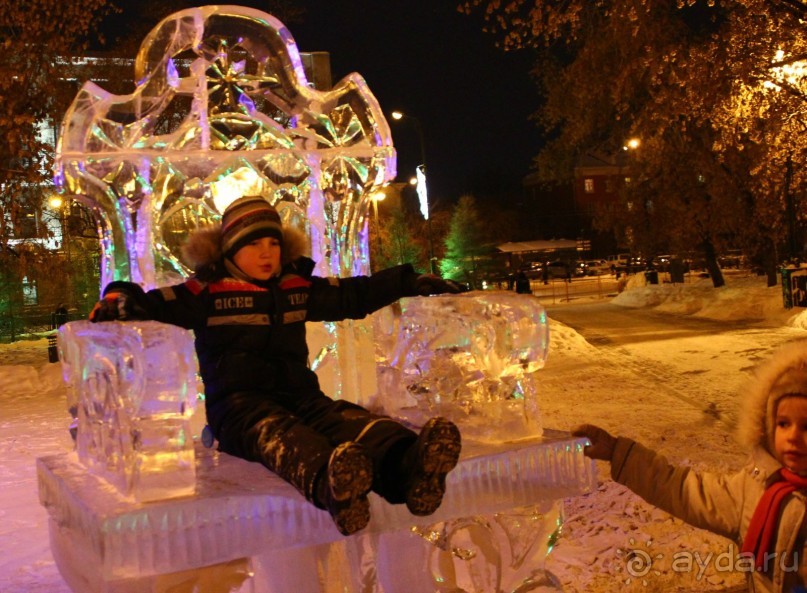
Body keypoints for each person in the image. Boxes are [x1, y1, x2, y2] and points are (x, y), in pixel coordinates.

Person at [90, 195, 465, 536]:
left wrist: (409, 282)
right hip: (239, 409)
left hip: (301, 396)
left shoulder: (294, 287)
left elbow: (353, 294)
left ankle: (412, 468)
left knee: (347, 419)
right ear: (230, 250)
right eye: (253, 244)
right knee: (285, 437)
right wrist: (118, 297)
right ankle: (333, 486)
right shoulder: (206, 293)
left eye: (273, 243)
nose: (267, 253)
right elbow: (151, 303)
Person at [573, 339, 807, 593]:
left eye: (806, 426)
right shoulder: (754, 487)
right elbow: (682, 489)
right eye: (784, 423)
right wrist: (617, 452)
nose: (793, 436)